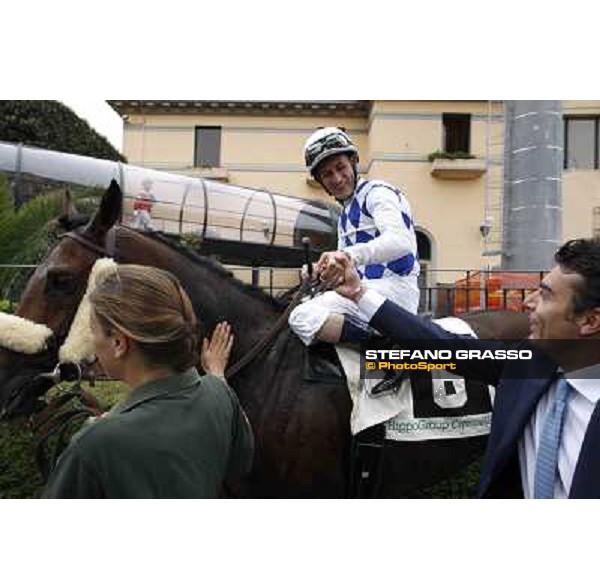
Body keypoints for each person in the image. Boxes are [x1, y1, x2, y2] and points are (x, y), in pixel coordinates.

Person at [322, 239, 600, 499]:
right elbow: (441, 345)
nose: (528, 303)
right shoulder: (526, 365)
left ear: (590, 320)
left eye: (547, 296)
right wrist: (358, 293)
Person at [43, 265, 254, 499]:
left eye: (94, 332)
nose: (92, 342)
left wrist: (110, 427)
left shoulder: (93, 447)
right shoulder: (220, 395)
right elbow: (241, 462)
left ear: (118, 343)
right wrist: (217, 376)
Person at [288, 127, 420, 346]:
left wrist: (346, 256)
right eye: (327, 174)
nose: (337, 178)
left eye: (341, 168)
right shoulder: (344, 215)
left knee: (301, 317)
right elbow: (345, 266)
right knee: (297, 303)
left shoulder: (378, 192)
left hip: (394, 293)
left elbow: (400, 242)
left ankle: (384, 343)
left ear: (353, 163)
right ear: (321, 181)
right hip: (363, 291)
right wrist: (319, 272)